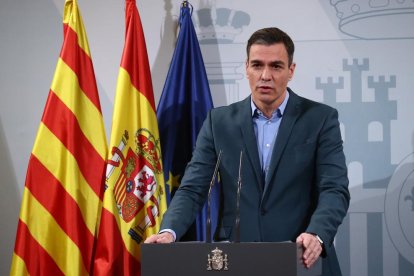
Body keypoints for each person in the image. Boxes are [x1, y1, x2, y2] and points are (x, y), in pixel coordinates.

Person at [145, 27, 350, 276]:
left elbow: (334, 189)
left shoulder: (320, 119)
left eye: (276, 66)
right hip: (237, 260)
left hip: (301, 257)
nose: (265, 75)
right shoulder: (218, 122)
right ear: (246, 68)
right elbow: (193, 188)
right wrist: (169, 231)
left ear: (291, 71)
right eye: (257, 65)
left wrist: (317, 234)